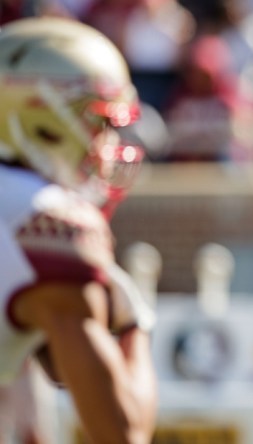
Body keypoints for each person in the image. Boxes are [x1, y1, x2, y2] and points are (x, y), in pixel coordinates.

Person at [0, 17, 157, 444]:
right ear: (39, 117)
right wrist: (133, 323)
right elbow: (122, 433)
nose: (106, 142)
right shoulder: (47, 222)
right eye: (98, 121)